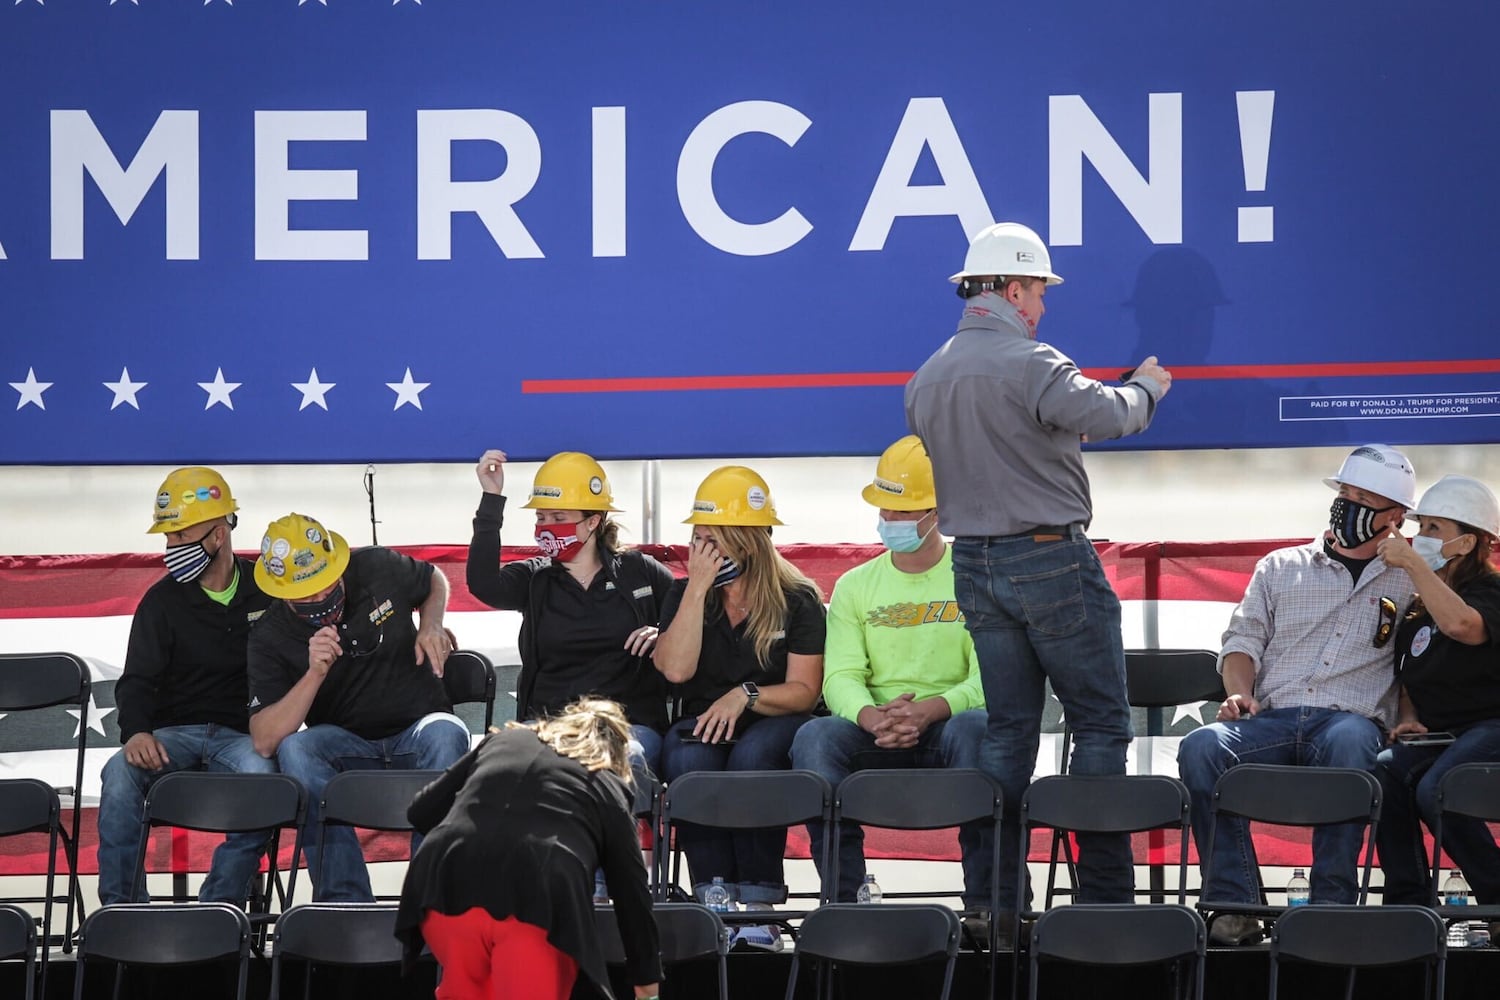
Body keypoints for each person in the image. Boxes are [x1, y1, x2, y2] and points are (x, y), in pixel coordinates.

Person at [904, 221, 1171, 926]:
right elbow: (1108, 415)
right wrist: (1146, 387)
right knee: (1101, 725)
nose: (1043, 306)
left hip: (975, 563)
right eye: (1039, 292)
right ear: (1013, 288)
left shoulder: (927, 377)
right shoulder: (1030, 362)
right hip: (1049, 555)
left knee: (1008, 732)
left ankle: (994, 904)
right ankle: (1104, 905)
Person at [1176, 444, 1418, 945]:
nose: (1347, 503)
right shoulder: (1281, 566)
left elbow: (1427, 658)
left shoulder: (1412, 577)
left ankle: (1330, 906)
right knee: (1201, 746)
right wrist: (1241, 695)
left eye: (1363, 497)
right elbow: (1241, 642)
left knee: (1353, 741)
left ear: (1394, 516)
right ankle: (1234, 904)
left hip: (1350, 720)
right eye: (1344, 492)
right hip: (1272, 717)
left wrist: (1417, 565)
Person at [789, 436, 992, 916]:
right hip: (874, 730)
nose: (888, 521)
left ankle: (990, 907)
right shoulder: (856, 585)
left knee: (980, 729)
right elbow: (839, 675)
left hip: (948, 726)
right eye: (884, 509)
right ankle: (845, 901)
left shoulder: (975, 576)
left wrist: (930, 710)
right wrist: (870, 718)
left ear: (936, 514)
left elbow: (990, 678)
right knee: (816, 737)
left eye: (902, 512)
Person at [246, 512, 470, 902]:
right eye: (306, 597)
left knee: (447, 731)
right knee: (296, 748)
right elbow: (265, 740)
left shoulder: (377, 566)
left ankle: (431, 898)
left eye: (325, 586)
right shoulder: (269, 634)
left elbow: (433, 578)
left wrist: (431, 623)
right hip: (346, 746)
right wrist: (314, 674)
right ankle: (345, 903)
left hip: (417, 729)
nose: (319, 600)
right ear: (282, 594)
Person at [654, 465, 825, 951]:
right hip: (704, 716)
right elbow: (675, 671)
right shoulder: (685, 592)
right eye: (698, 539)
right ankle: (714, 897)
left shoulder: (798, 598)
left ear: (749, 540)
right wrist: (695, 589)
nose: (703, 550)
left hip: (775, 713)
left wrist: (746, 694)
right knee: (689, 759)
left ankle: (759, 904)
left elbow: (804, 691)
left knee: (753, 757)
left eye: (715, 540)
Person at [396, 698, 662, 1000]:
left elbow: (421, 811)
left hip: (442, 887)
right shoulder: (608, 783)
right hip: (536, 899)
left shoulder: (503, 740)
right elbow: (631, 893)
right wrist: (647, 985)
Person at [97, 467, 278, 905]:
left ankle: (219, 908)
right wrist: (135, 733)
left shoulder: (268, 591)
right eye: (168, 538)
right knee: (118, 774)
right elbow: (137, 680)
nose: (170, 548)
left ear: (218, 534)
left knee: (268, 782)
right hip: (170, 739)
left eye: (179, 536)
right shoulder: (160, 602)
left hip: (245, 738)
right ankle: (122, 913)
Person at [466, 449, 674, 786]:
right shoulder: (535, 578)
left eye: (558, 517)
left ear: (593, 521)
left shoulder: (639, 572)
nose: (546, 528)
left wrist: (664, 631)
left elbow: (697, 613)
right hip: (549, 725)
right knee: (508, 764)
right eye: (541, 518)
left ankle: (614, 839)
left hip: (627, 725)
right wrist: (492, 498)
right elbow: (483, 584)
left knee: (626, 758)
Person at [1373, 474, 1500, 918]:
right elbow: (1410, 677)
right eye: (1419, 524)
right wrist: (1408, 715)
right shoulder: (1416, 605)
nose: (1419, 536)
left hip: (1491, 727)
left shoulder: (1490, 591)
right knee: (1385, 774)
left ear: (1466, 544)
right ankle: (1409, 906)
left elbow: (1463, 626)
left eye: (1433, 529)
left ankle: (1495, 896)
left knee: (1439, 789)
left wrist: (1414, 565)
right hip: (1444, 734)